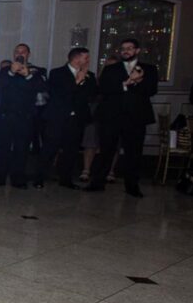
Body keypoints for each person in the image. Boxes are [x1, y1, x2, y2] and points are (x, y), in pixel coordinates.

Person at [85, 38, 158, 198]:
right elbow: (103, 88)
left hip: (136, 117)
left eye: (130, 48)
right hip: (112, 116)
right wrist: (127, 83)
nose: (126, 51)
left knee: (134, 152)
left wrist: (138, 81)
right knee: (106, 151)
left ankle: (132, 186)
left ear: (137, 51)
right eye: (123, 48)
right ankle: (98, 182)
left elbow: (152, 90)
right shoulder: (112, 69)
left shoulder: (149, 69)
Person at [35, 47, 97, 189]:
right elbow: (60, 94)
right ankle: (40, 177)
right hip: (57, 117)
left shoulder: (90, 75)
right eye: (85, 58)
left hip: (77, 118)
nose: (88, 61)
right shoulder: (57, 73)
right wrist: (77, 82)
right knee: (49, 148)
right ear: (76, 59)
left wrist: (83, 80)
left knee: (71, 150)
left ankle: (66, 179)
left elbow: (92, 94)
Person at [0, 44, 46, 189]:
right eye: (17, 52)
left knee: (21, 148)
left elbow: (42, 89)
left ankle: (18, 179)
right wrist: (11, 73)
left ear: (28, 54)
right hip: (5, 115)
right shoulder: (6, 70)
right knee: (1, 148)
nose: (20, 54)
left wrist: (28, 75)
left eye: (23, 52)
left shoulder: (37, 72)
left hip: (25, 117)